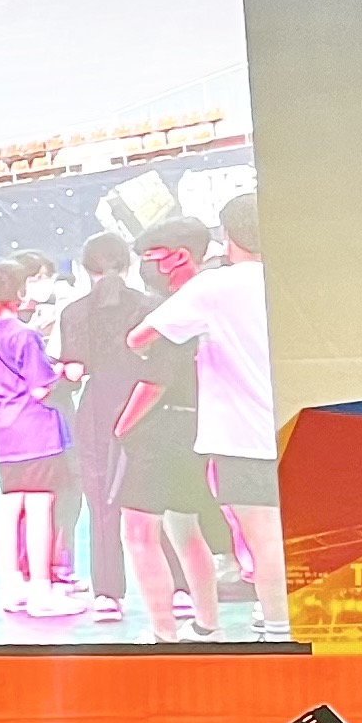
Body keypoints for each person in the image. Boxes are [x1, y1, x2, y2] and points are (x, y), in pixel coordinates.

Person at [131, 192, 280, 637]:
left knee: (264, 537)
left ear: (227, 235)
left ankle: (279, 628)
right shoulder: (293, 279)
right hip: (299, 424)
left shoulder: (213, 287)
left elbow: (140, 337)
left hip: (242, 435)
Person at [113, 219, 225, 640]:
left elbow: (156, 380)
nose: (147, 266)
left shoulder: (176, 310)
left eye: (151, 256)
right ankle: (207, 625)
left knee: (138, 532)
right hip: (196, 425)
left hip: (159, 430)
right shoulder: (217, 300)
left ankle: (163, 633)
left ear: (179, 256)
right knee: (186, 526)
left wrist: (123, 427)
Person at [52, 232, 148, 620]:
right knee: (158, 497)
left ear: (85, 269)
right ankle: (180, 588)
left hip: (97, 410)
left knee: (102, 504)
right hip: (146, 403)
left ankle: (107, 594)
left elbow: (75, 372)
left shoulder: (74, 312)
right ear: (129, 264)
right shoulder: (148, 306)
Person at [0, 261, 67, 620]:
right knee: (40, 506)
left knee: (9, 506)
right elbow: (40, 388)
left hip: (1, 430)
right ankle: (41, 590)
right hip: (34, 430)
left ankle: (12, 588)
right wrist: (63, 372)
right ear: (18, 289)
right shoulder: (26, 335)